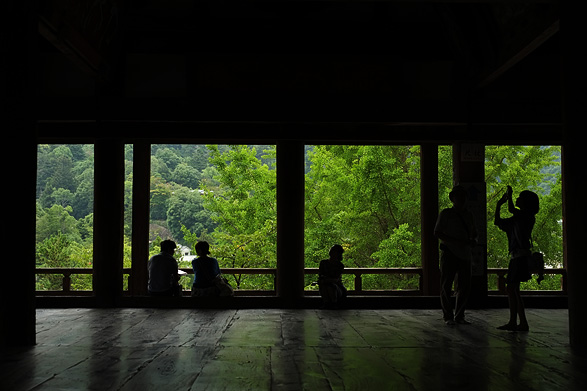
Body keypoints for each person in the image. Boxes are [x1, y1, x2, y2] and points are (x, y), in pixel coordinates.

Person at [494, 186, 539, 332]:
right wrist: (498, 205)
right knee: (513, 290)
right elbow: (499, 221)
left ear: (526, 202)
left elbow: (511, 211)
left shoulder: (525, 217)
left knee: (512, 289)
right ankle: (517, 321)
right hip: (517, 257)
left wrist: (508, 197)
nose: (517, 199)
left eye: (520, 197)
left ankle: (518, 322)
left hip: (519, 258)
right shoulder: (521, 218)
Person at [434, 185, 478, 325]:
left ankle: (459, 316)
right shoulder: (446, 214)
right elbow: (437, 232)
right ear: (453, 199)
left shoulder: (469, 215)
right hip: (449, 252)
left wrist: (473, 242)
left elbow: (475, 233)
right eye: (458, 197)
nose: (461, 200)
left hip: (465, 253)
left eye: (463, 197)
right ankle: (448, 316)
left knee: (465, 286)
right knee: (446, 285)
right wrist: (456, 242)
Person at [318, 244, 347, 309]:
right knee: (324, 285)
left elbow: (336, 279)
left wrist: (326, 280)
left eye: (335, 252)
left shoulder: (339, 265)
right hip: (325, 284)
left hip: (337, 288)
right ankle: (326, 303)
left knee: (330, 286)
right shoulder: (323, 263)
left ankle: (333, 303)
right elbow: (321, 274)